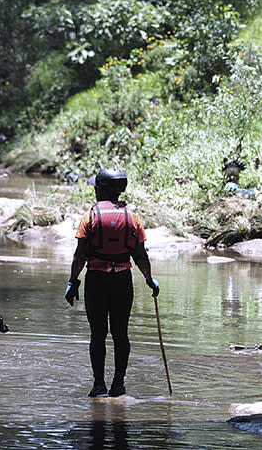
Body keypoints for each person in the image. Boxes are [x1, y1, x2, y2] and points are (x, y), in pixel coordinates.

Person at [65, 167, 160, 398]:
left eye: (97, 187)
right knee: (121, 333)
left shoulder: (90, 217)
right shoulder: (133, 218)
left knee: (98, 334)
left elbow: (80, 255)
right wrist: (149, 279)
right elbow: (140, 255)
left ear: (102, 190)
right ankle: (118, 385)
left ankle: (99, 385)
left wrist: (73, 281)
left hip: (96, 281)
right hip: (122, 282)